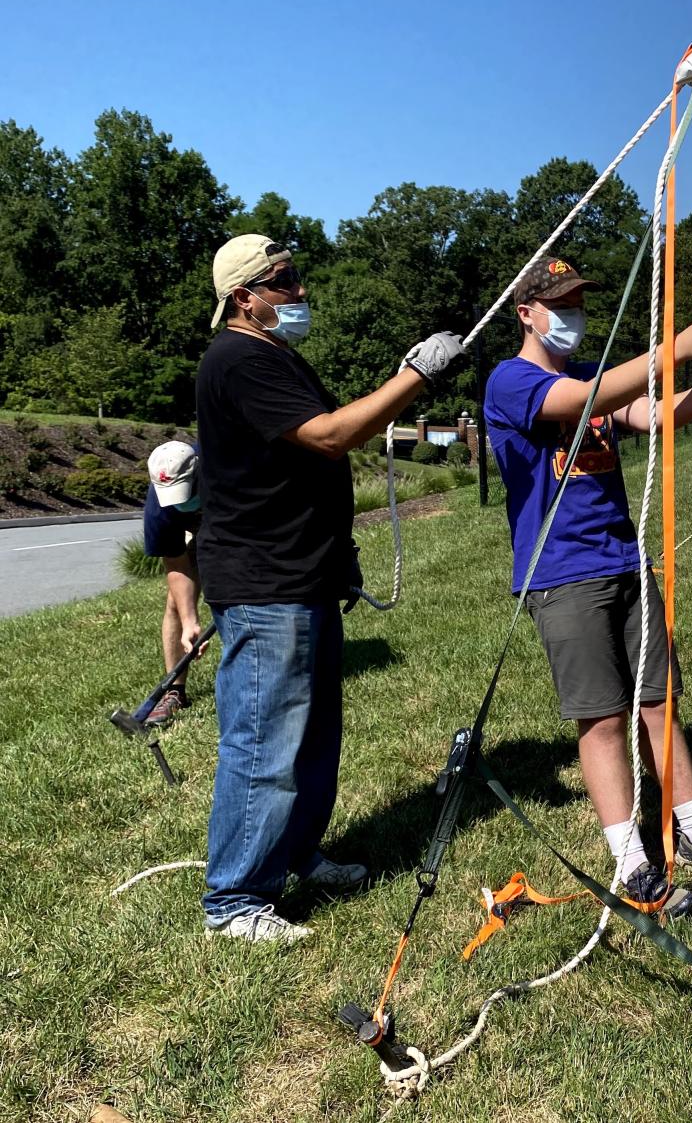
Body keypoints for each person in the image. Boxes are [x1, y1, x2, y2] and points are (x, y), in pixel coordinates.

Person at [484, 257, 692, 919]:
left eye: (579, 301)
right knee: (603, 718)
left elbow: (650, 413)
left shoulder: (593, 375)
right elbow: (583, 405)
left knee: (659, 701)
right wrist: (677, 347)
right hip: (564, 574)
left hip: (624, 561)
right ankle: (632, 862)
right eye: (558, 302)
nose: (572, 314)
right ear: (525, 312)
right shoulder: (512, 381)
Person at [196, 233, 463, 943]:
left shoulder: (276, 353)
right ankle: (236, 899)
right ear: (245, 297)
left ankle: (295, 856)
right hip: (265, 582)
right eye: (283, 280)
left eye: (297, 276)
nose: (301, 290)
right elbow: (329, 436)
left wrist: (337, 551)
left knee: (312, 737)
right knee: (264, 740)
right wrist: (415, 376)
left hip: (302, 574)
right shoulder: (239, 357)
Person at [142, 440, 204, 723]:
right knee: (176, 604)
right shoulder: (160, 503)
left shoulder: (226, 467)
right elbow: (177, 565)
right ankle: (175, 691)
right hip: (200, 528)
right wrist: (190, 619)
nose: (178, 501)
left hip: (242, 523)